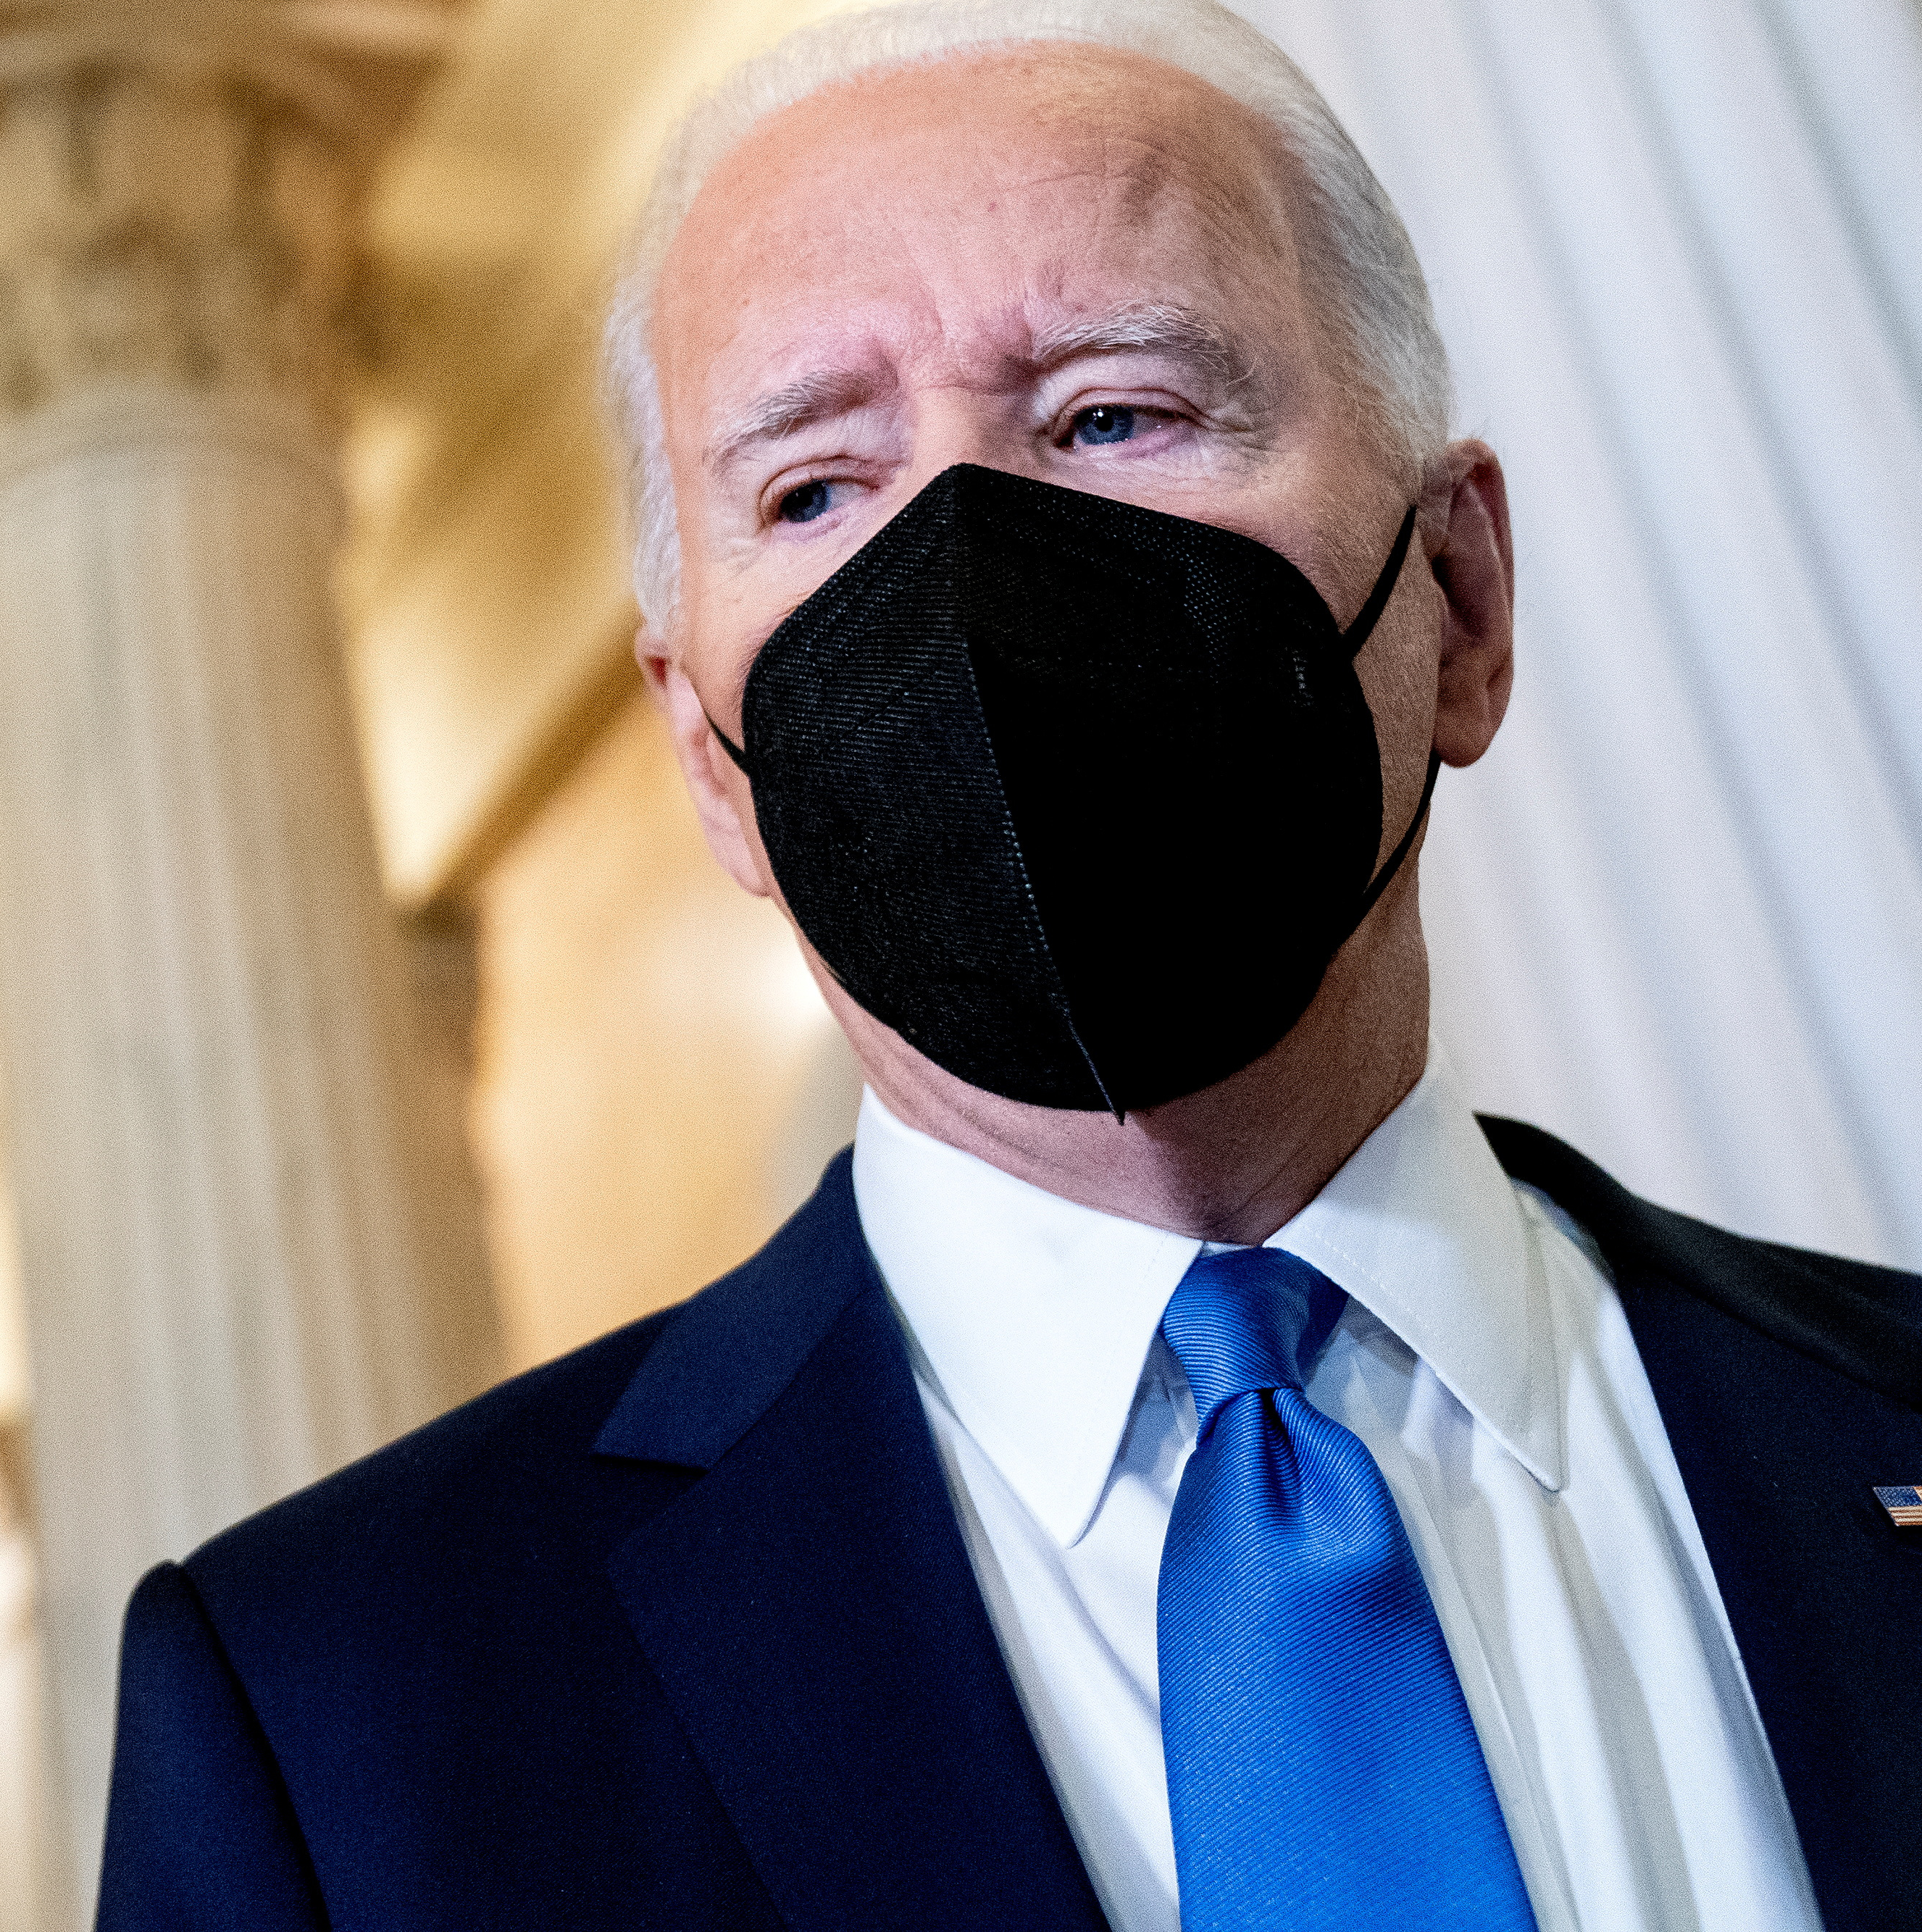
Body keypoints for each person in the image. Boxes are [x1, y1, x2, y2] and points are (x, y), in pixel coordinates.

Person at [94, 4, 1922, 1927]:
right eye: (813, 487)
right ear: (707, 760)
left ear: (1459, 597)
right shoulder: (341, 1717)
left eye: (1116, 414)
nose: (966, 565)